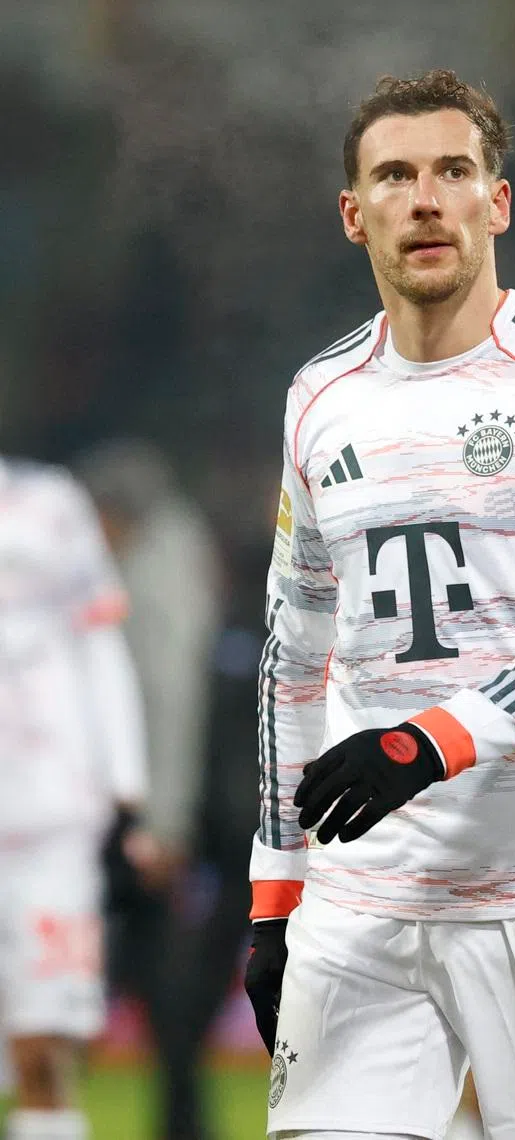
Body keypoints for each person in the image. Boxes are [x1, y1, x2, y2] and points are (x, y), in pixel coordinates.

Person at [242, 70, 515, 1140]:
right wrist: (275, 890)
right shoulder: (319, 396)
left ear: (498, 202)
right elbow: (294, 652)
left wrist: (430, 743)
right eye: (394, 176)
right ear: (356, 216)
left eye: (454, 171)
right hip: (367, 908)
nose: (426, 198)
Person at [0, 456, 149, 1140]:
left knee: (47, 1037)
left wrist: (126, 785)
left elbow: (101, 638)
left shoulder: (51, 502)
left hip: (51, 818)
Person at [78, 438, 221, 1140]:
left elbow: (167, 700)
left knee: (148, 996)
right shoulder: (153, 561)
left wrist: (163, 821)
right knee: (157, 1001)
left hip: (134, 818)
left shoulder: (155, 573)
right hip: (127, 811)